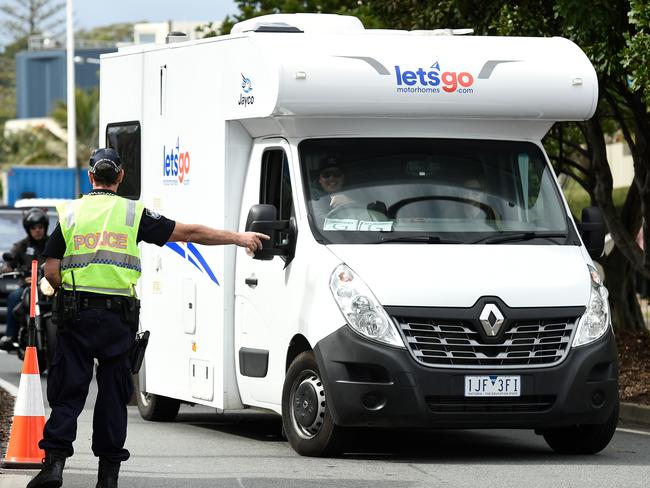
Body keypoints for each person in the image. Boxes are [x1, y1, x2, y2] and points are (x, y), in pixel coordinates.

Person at [27, 148, 268, 488]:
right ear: (121, 176)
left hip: (77, 317)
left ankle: (53, 467)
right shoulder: (133, 213)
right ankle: (107, 478)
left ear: (90, 176)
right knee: (113, 398)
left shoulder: (71, 212)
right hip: (118, 321)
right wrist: (238, 237)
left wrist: (67, 294)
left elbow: (51, 269)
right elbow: (189, 233)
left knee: (68, 395)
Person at [0, 208, 49, 352]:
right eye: (34, 228)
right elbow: (10, 260)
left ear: (45, 228)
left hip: (49, 284)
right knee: (14, 296)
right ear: (28, 229)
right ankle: (11, 336)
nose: (37, 230)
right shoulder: (22, 245)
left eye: (40, 227)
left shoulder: (53, 242)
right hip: (27, 286)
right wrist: (7, 267)